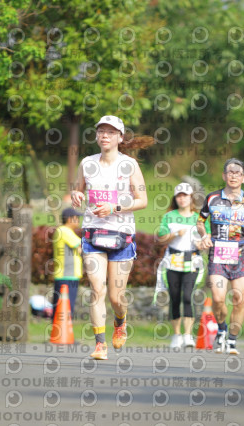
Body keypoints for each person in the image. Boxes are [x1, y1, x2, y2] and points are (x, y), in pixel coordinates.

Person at [70, 115, 150, 360]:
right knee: (97, 289)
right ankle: (99, 345)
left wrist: (114, 207)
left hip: (121, 235)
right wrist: (76, 195)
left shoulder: (129, 165)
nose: (104, 135)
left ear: (120, 137)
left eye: (111, 132)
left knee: (116, 296)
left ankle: (120, 321)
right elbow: (77, 188)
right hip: (93, 232)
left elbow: (142, 200)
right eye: (101, 131)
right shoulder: (87, 163)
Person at [197, 158, 244, 355]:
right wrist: (204, 235)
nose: (233, 175)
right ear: (224, 175)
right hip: (217, 254)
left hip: (240, 255)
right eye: (230, 172)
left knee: (238, 298)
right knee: (218, 298)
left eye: (238, 173)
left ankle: (233, 340)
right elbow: (200, 222)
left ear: (243, 177)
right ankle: (221, 329)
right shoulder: (212, 199)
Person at [156, 182, 208, 349]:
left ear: (191, 197)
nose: (182, 198)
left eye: (185, 195)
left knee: (187, 296)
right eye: (179, 195)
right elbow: (160, 239)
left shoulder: (198, 218)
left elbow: (206, 239)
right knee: (175, 297)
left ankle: (188, 335)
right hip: (172, 261)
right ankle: (177, 335)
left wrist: (202, 244)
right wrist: (175, 234)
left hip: (192, 261)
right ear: (175, 198)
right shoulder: (169, 216)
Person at [51, 207, 83, 320]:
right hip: (66, 276)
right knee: (63, 308)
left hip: (69, 276)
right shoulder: (63, 231)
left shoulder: (66, 231)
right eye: (77, 218)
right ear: (70, 219)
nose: (79, 220)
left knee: (65, 308)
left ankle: (63, 335)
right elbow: (83, 246)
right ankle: (60, 336)